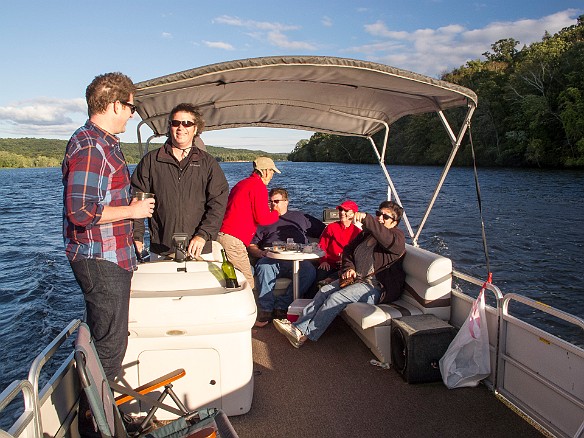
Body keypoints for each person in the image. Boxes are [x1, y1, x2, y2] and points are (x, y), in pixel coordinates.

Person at [63, 72, 154, 381]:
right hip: (102, 259)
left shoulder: (102, 143)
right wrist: (134, 209)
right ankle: (97, 425)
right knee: (111, 347)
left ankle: (102, 414)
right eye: (131, 107)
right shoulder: (92, 146)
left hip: (111, 256)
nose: (132, 113)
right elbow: (80, 211)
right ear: (116, 105)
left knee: (109, 339)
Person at [273, 200, 406, 348]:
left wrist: (367, 218)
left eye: (385, 217)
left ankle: (304, 332)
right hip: (356, 279)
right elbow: (348, 251)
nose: (380, 218)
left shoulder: (397, 237)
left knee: (336, 298)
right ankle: (298, 327)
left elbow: (388, 240)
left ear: (394, 222)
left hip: (375, 286)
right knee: (324, 291)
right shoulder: (367, 235)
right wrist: (349, 267)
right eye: (378, 214)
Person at [131, 103, 229, 259]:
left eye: (187, 123)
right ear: (170, 127)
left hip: (199, 249)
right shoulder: (151, 161)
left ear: (195, 129)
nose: (181, 128)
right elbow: (138, 199)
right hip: (161, 248)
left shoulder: (208, 163)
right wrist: (137, 236)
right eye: (176, 123)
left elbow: (218, 203)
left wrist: (203, 235)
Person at [250, 188, 326, 326]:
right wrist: (260, 253)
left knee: (309, 271)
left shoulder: (300, 217)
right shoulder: (264, 220)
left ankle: (282, 306)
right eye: (270, 202)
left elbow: (325, 231)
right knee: (263, 267)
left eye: (276, 201)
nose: (273, 205)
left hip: (297, 260)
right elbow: (251, 244)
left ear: (286, 202)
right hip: (272, 259)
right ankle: (265, 310)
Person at [217, 157, 281, 290]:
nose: (272, 175)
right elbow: (263, 219)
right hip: (233, 240)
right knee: (247, 284)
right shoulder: (258, 187)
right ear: (265, 171)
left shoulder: (242, 184)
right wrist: (276, 213)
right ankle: (253, 310)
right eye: (272, 172)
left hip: (223, 235)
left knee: (234, 281)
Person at [306, 200, 362, 298]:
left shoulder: (357, 232)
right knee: (318, 277)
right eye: (340, 210)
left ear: (353, 214)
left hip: (345, 266)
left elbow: (358, 253)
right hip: (329, 264)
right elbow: (322, 246)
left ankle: (330, 287)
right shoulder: (331, 227)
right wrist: (323, 261)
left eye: (346, 210)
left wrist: (347, 263)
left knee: (346, 276)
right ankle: (310, 302)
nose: (342, 213)